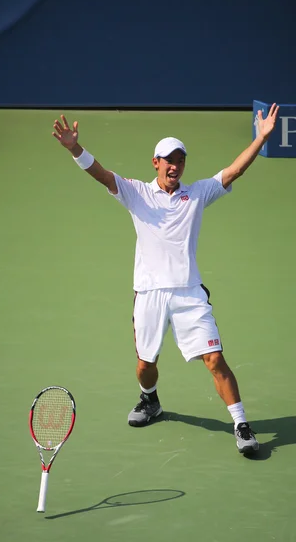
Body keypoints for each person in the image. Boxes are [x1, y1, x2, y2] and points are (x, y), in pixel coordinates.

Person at [52, 104, 279, 454]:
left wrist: (262, 138)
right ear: (155, 163)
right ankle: (150, 401)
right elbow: (102, 175)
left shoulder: (198, 193)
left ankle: (241, 424)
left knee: (216, 359)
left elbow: (233, 172)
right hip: (149, 294)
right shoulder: (136, 193)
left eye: (180, 159)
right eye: (167, 159)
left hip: (189, 293)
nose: (174, 165)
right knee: (146, 365)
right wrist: (75, 149)